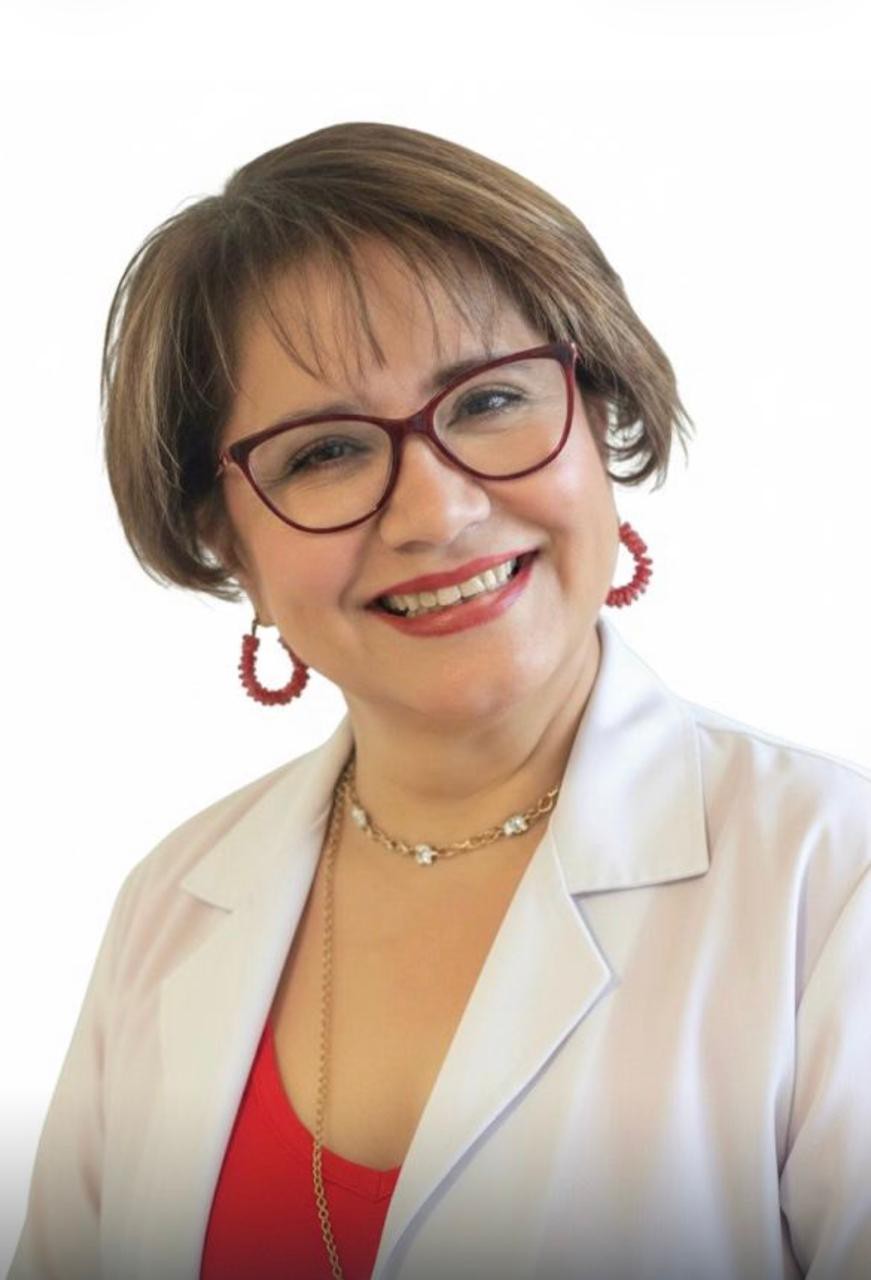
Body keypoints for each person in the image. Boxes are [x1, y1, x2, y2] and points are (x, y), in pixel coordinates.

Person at [8, 121, 870, 1280]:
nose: (438, 511)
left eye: (488, 399)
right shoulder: (171, 904)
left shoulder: (832, 879)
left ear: (598, 417)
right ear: (228, 544)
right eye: (324, 453)